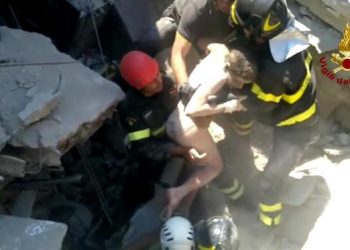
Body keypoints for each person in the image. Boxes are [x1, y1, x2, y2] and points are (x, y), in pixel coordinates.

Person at [185, 0, 321, 227]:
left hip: (298, 125)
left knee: (269, 182)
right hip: (281, 105)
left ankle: (268, 224)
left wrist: (217, 100)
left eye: (247, 29)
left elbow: (255, 104)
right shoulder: (283, 30)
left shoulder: (277, 69)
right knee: (241, 122)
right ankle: (241, 139)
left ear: (259, 30)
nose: (243, 33)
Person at [134, 0, 236, 84]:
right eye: (228, 3)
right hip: (178, 22)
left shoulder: (241, 8)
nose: (232, 6)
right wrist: (184, 87)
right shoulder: (197, 7)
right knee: (152, 40)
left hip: (207, 35)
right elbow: (178, 53)